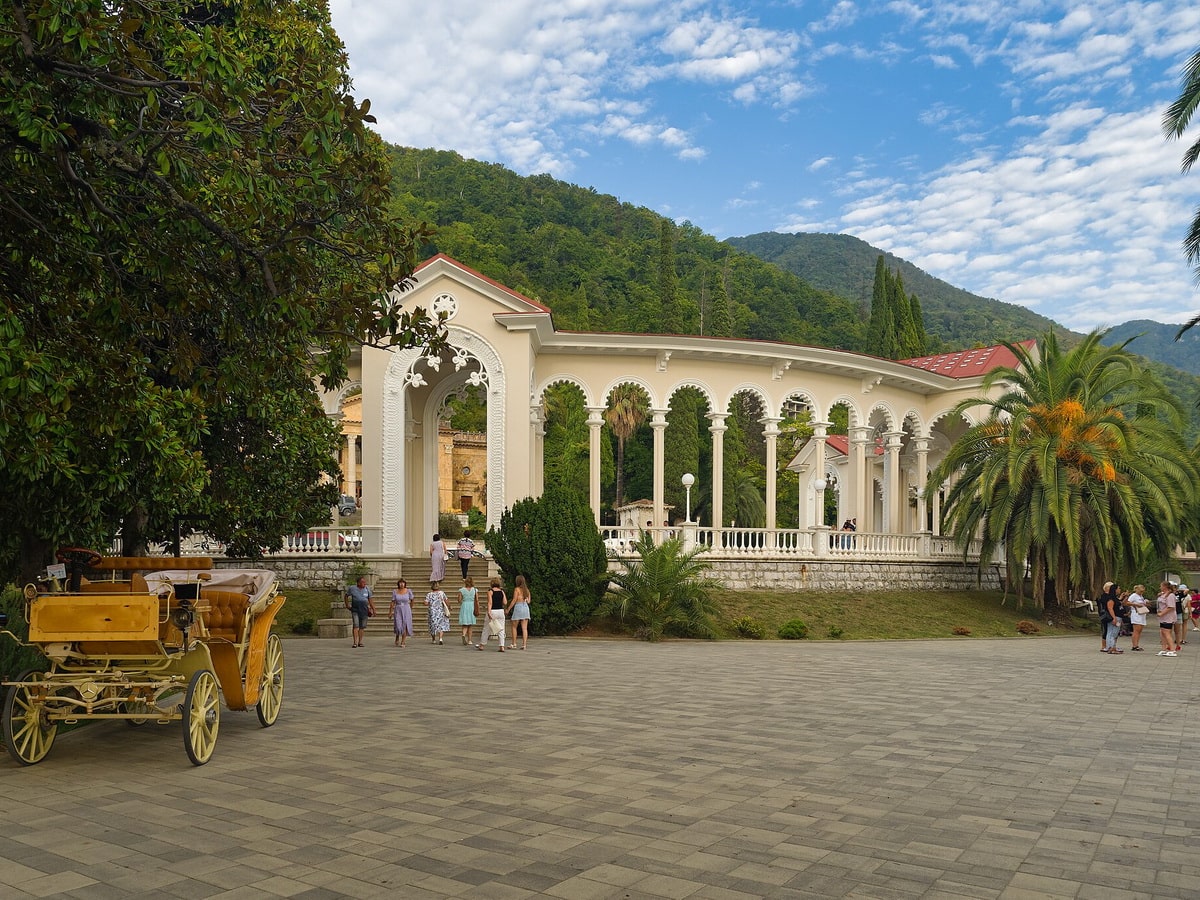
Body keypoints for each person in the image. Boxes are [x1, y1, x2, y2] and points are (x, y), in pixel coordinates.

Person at [477, 576, 507, 652]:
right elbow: (505, 602)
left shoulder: (490, 591)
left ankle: (482, 645)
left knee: (486, 628)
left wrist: (489, 612)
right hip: (500, 611)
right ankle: (502, 646)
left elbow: (490, 602)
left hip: (493, 610)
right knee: (501, 629)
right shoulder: (502, 591)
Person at [344, 576, 374, 649]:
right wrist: (347, 605)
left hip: (364, 610)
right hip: (355, 610)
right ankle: (355, 642)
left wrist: (373, 609)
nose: (364, 583)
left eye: (364, 582)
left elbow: (370, 600)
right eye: (362, 582)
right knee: (356, 625)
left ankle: (360, 642)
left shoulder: (367, 589)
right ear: (358, 583)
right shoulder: (352, 588)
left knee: (362, 626)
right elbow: (346, 596)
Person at [507, 574, 531, 650]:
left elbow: (514, 600)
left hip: (518, 607)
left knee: (514, 626)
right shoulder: (527, 590)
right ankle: (524, 645)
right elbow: (529, 601)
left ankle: (514, 643)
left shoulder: (517, 589)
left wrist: (508, 609)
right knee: (524, 628)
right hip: (525, 607)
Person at [389, 579, 414, 648]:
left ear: (405, 584)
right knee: (398, 624)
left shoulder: (408, 591)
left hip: (406, 608)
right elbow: (392, 602)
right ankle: (397, 636)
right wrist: (390, 612)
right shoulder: (395, 591)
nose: (402, 584)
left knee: (405, 624)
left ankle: (403, 641)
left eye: (403, 583)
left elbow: (412, 600)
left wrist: (410, 608)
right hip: (398, 608)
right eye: (400, 583)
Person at [1156, 581, 1179, 657]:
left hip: (1168, 617)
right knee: (1162, 632)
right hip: (1162, 617)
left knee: (1167, 632)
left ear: (1165, 587)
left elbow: (1171, 607)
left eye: (1161, 586)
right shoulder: (1163, 594)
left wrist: (1162, 613)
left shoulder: (1171, 595)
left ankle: (1172, 650)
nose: (1160, 587)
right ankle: (1164, 649)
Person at [426, 580, 451, 645]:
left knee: (432, 625)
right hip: (440, 611)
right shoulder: (441, 593)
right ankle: (440, 638)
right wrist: (449, 606)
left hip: (432, 612)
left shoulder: (429, 594)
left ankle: (433, 639)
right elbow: (446, 600)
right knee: (441, 625)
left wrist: (428, 603)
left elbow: (426, 602)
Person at [1126, 585, 1149, 651]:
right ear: (1137, 590)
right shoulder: (1133, 596)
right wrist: (1136, 604)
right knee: (1136, 630)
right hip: (1136, 614)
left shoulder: (1141, 596)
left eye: (1143, 591)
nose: (1141, 592)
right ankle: (1134, 645)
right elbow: (1128, 602)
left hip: (1142, 614)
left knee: (1140, 630)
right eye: (1140, 591)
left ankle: (1137, 644)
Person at [1103, 583, 1123, 654]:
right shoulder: (1111, 599)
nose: (1119, 590)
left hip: (1118, 617)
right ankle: (1111, 647)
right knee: (1112, 632)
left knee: (1114, 632)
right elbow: (1110, 608)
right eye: (1118, 588)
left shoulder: (1115, 598)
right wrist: (1114, 618)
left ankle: (1112, 646)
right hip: (1115, 617)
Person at [1097, 581, 1117, 652]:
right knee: (1105, 630)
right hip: (1106, 615)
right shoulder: (1105, 596)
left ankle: (1110, 645)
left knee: (1108, 630)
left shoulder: (1109, 596)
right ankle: (1104, 646)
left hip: (1106, 614)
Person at [458, 576, 479, 645]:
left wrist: (463, 601)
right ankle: (469, 640)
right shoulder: (475, 590)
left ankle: (463, 634)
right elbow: (477, 599)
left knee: (465, 623)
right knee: (470, 625)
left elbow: (459, 600)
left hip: (464, 606)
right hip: (472, 606)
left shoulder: (462, 590)